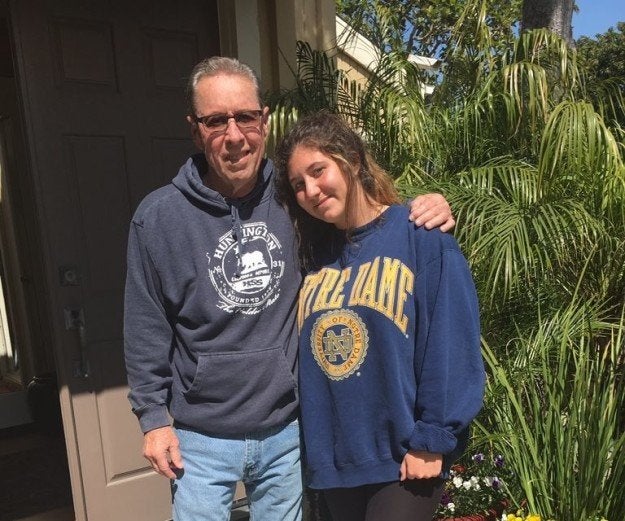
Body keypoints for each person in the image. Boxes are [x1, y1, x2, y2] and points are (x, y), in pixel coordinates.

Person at [123, 56, 455, 521]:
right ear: (195, 129)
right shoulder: (157, 218)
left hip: (287, 431)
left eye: (244, 117)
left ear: (263, 120)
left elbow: (362, 218)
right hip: (200, 438)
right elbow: (145, 327)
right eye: (216, 120)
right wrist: (153, 420)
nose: (234, 135)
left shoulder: (293, 198)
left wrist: (426, 205)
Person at [273, 111, 485, 521]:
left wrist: (433, 437)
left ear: (351, 159)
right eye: (299, 185)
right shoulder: (311, 256)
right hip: (335, 463)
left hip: (404, 458)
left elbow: (450, 340)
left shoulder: (419, 235)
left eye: (319, 171)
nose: (312, 190)